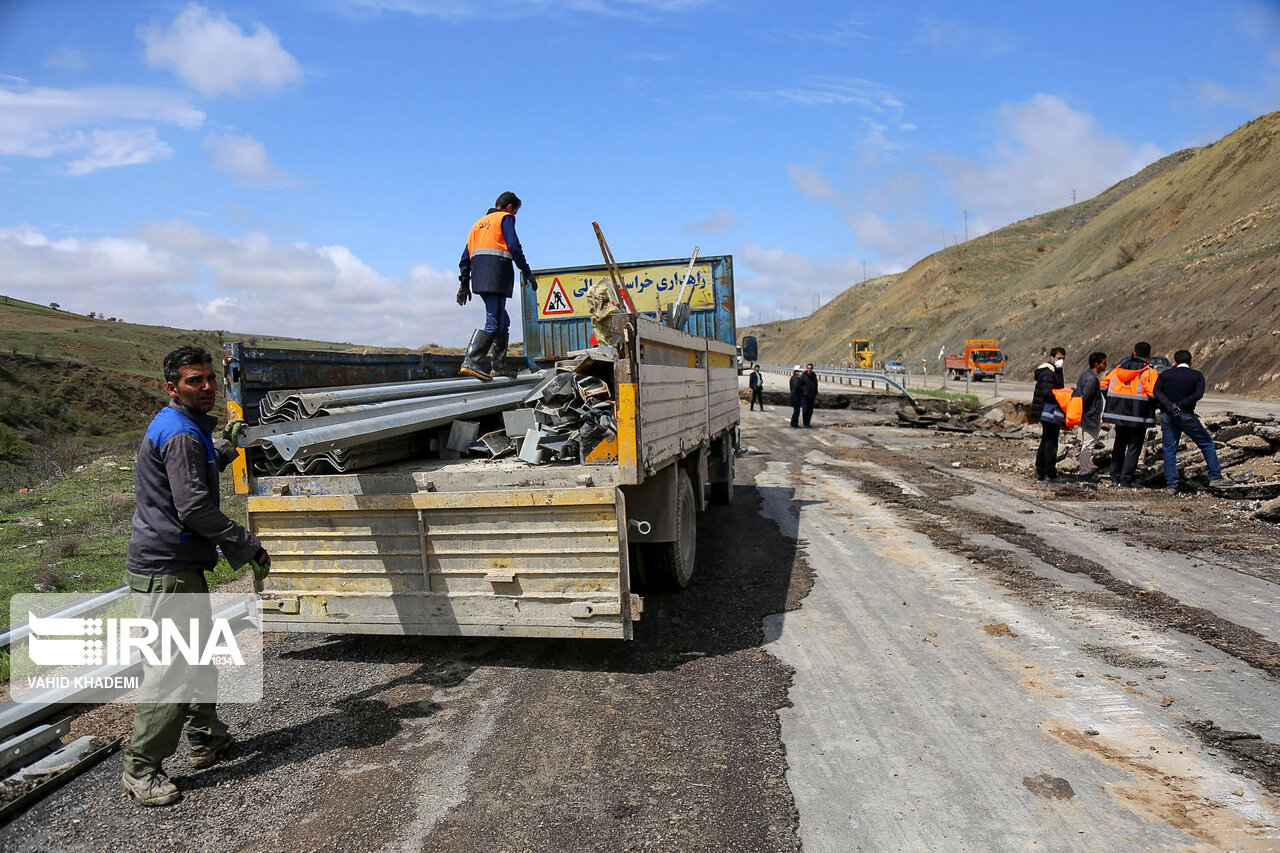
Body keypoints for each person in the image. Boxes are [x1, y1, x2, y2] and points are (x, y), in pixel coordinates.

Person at [121, 345, 271, 807]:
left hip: (177, 564)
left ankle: (207, 737)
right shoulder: (182, 434)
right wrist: (245, 543)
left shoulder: (182, 427)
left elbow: (188, 473)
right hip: (168, 569)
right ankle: (141, 770)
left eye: (210, 378)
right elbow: (194, 508)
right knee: (170, 671)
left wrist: (226, 446)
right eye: (194, 380)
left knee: (197, 656)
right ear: (173, 387)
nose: (207, 387)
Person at [457, 191, 536, 381]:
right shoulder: (505, 218)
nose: (514, 216)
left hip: (479, 278)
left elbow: (465, 257)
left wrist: (464, 284)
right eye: (515, 212)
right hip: (496, 275)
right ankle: (471, 361)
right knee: (494, 321)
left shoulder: (478, 224)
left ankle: (498, 367)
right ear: (510, 207)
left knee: (503, 321)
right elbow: (514, 246)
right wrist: (526, 271)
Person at [1154, 349, 1223, 494]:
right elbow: (1197, 394)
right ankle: (1216, 477)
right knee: (1206, 443)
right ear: (1191, 362)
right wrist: (1181, 405)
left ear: (1175, 361)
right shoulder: (1197, 376)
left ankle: (1172, 485)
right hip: (1186, 415)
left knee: (1169, 450)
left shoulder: (1165, 374)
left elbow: (1157, 392)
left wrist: (1170, 405)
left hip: (1167, 415)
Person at [1101, 341, 1159, 488]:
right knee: (1134, 446)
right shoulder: (1149, 373)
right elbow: (1154, 394)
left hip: (1118, 415)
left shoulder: (1117, 370)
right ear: (1149, 355)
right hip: (1138, 416)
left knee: (1119, 444)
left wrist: (1112, 402)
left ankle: (1115, 476)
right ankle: (1126, 479)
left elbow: (1102, 386)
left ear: (1134, 353)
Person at [1030, 347, 1066, 482]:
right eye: (1059, 359)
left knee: (1046, 440)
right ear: (1052, 358)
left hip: (1047, 411)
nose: (1061, 361)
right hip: (1048, 411)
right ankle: (1049, 473)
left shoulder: (1054, 371)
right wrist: (1062, 398)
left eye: (1063, 359)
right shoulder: (1048, 372)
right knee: (1050, 442)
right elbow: (1048, 392)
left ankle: (1041, 472)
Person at [1075, 352, 1107, 482]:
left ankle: (1085, 470)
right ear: (1097, 364)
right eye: (1103, 363)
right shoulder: (1092, 379)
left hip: (1087, 415)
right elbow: (1085, 399)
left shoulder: (1085, 375)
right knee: (1088, 445)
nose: (1105, 365)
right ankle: (1084, 473)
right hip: (1090, 416)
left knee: (1087, 444)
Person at [800, 363, 819, 427]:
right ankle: (805, 423)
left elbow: (816, 384)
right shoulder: (804, 375)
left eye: (810, 368)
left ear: (812, 368)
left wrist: (816, 393)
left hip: (812, 395)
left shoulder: (814, 375)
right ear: (807, 368)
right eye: (808, 368)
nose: (809, 369)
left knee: (810, 410)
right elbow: (801, 384)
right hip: (805, 395)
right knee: (805, 409)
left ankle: (808, 422)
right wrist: (802, 392)